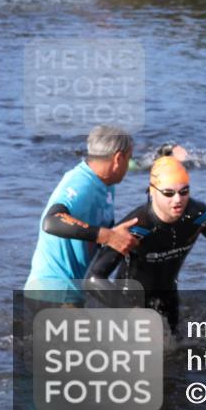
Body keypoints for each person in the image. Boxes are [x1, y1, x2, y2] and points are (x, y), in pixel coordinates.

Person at [86, 156, 206, 333]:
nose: (178, 200)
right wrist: (129, 310)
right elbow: (93, 279)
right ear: (152, 192)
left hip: (168, 295)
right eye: (168, 193)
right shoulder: (136, 226)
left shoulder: (197, 214)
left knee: (173, 353)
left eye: (184, 192)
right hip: (129, 301)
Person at [24, 125, 140, 305]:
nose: (129, 165)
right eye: (129, 158)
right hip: (53, 293)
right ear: (118, 158)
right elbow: (52, 221)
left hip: (70, 294)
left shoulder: (106, 184)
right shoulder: (81, 183)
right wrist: (108, 236)